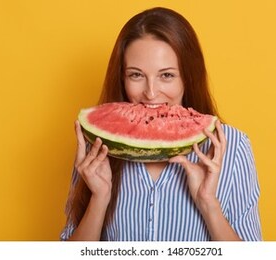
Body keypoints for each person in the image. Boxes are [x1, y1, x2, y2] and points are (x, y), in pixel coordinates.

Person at [60, 7, 262, 241]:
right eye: (136, 75)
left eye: (166, 75)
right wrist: (99, 197)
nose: (151, 93)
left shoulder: (233, 147)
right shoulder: (98, 146)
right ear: (122, 77)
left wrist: (208, 204)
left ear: (188, 77)